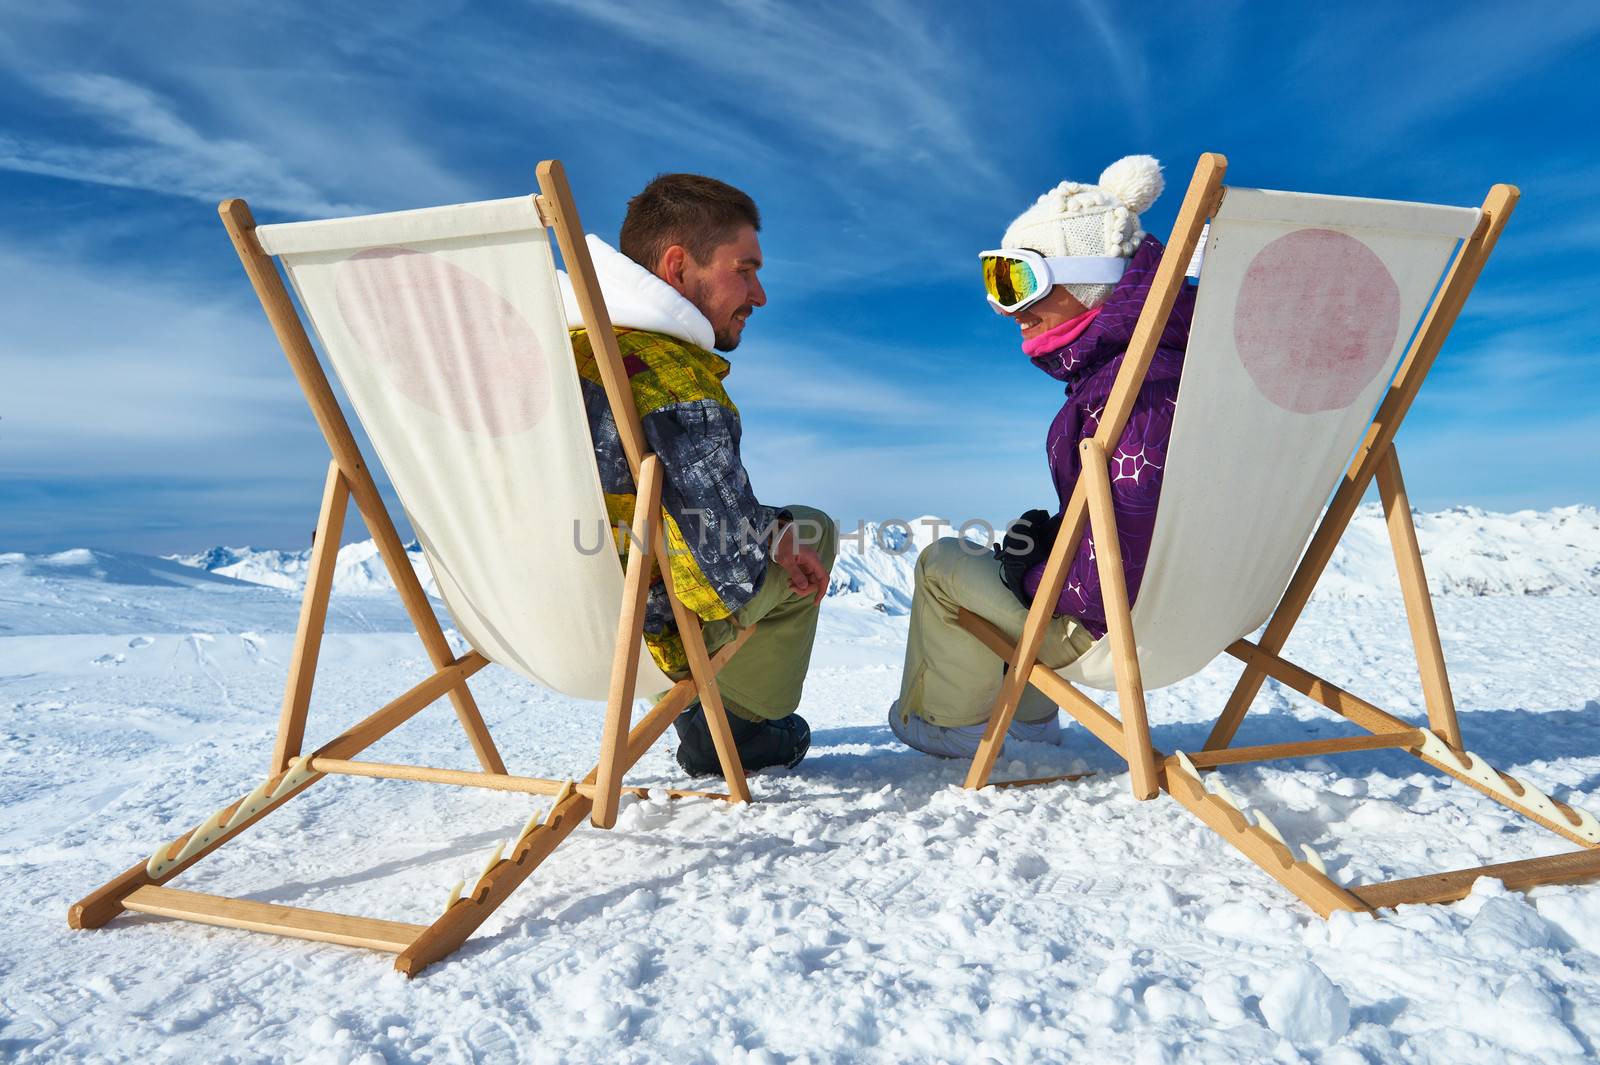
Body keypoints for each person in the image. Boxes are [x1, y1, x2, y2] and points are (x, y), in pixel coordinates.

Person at [888, 155, 1194, 759]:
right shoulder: (1200, 362)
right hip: (1211, 612)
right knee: (1016, 561)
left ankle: (953, 723)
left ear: (1090, 280)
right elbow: (1149, 511)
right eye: (996, 285)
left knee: (946, 564)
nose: (1008, 310)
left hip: (1121, 632)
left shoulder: (1133, 388)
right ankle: (1028, 722)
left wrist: (1028, 573)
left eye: (1019, 281)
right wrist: (1058, 542)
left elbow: (1107, 579)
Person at [561, 173, 836, 777]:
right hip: (645, 635)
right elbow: (727, 578)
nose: (759, 295)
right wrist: (779, 538)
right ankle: (737, 730)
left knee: (780, 530)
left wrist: (767, 528)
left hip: (535, 618)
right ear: (678, 266)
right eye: (745, 269)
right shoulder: (672, 381)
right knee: (814, 529)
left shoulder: (556, 355)